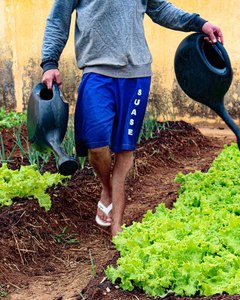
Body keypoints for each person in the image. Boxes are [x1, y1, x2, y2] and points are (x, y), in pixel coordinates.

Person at [41, 0, 224, 237]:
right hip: (97, 71)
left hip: (137, 73)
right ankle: (107, 189)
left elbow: (160, 9)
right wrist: (49, 62)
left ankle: (117, 227)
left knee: (125, 148)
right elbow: (58, 19)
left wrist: (199, 23)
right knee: (97, 146)